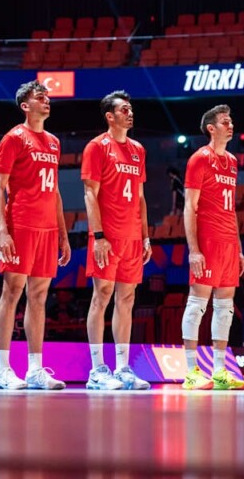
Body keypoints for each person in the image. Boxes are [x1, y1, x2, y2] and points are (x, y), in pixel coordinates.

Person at [0, 81, 71, 390]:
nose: (46, 101)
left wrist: (62, 233)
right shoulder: (14, 138)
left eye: (47, 97)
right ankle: (2, 370)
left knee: (38, 297)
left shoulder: (53, 142)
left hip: (47, 228)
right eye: (40, 97)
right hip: (21, 224)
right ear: (25, 106)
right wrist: (1, 230)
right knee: (12, 292)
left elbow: (56, 191)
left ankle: (35, 369)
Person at [82, 91, 152, 391]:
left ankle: (123, 368)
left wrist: (146, 236)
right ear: (110, 116)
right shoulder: (97, 147)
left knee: (127, 299)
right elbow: (90, 194)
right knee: (102, 296)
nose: (130, 112)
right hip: (107, 236)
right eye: (124, 109)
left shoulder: (138, 150)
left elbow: (140, 197)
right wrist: (98, 236)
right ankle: (97, 369)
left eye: (131, 108)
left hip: (133, 237)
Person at [180, 104, 244, 391]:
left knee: (225, 308)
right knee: (197, 304)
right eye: (224, 122)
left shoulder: (231, 161)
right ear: (211, 128)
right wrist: (194, 250)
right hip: (206, 240)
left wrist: (238, 247)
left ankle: (219, 371)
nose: (230, 126)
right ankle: (191, 371)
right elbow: (189, 206)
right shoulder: (199, 159)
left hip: (228, 242)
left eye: (231, 121)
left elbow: (230, 209)